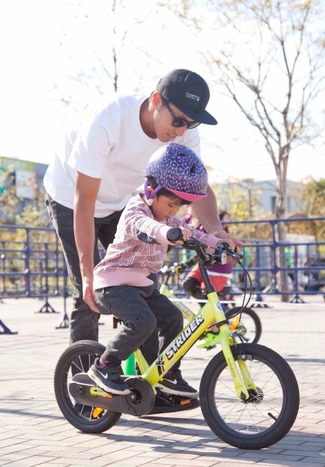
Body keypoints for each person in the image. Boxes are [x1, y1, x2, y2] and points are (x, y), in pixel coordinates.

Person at [43, 68, 240, 346]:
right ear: (156, 100)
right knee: (88, 294)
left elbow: (198, 186)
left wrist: (216, 231)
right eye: (179, 120)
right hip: (70, 200)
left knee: (144, 286)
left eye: (191, 124)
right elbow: (84, 203)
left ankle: (148, 382)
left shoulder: (182, 133)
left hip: (119, 202)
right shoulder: (109, 119)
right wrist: (88, 275)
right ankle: (84, 383)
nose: (182, 130)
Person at [88, 144, 223, 396]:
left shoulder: (168, 219)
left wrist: (217, 242)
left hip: (141, 285)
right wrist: (167, 233)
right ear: (151, 190)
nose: (175, 211)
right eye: (171, 204)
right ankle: (105, 365)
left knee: (173, 318)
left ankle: (167, 371)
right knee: (143, 321)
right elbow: (146, 226)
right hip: (113, 283)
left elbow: (192, 232)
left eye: (180, 207)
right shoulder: (135, 211)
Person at [182, 210, 233, 300]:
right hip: (205, 264)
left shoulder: (213, 231)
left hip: (218, 269)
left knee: (205, 295)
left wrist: (187, 264)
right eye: (226, 219)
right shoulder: (193, 222)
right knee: (188, 285)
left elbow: (204, 250)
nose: (227, 222)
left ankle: (219, 311)